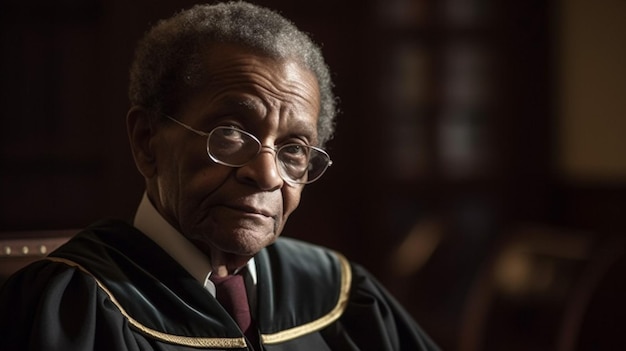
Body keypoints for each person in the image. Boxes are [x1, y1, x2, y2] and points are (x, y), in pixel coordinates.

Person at [0, 2, 439, 350]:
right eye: (231, 134)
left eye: (294, 151)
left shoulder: (336, 292)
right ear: (147, 140)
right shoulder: (74, 307)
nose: (267, 174)